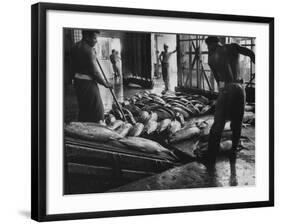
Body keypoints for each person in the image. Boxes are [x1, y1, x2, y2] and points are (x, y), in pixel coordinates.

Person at [205, 36, 255, 168]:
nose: (210, 49)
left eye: (209, 47)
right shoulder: (232, 47)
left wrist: (222, 91)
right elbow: (250, 53)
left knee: (219, 122)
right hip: (239, 88)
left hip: (226, 88)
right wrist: (254, 59)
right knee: (237, 121)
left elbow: (218, 79)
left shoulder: (211, 58)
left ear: (210, 45)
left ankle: (212, 154)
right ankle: (233, 150)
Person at [70, 29, 112, 122]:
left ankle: (84, 127)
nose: (96, 41)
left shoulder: (74, 47)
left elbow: (72, 67)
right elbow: (95, 72)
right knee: (97, 110)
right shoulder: (88, 50)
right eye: (94, 38)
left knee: (84, 107)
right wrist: (105, 83)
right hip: (88, 83)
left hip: (78, 82)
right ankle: (97, 128)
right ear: (86, 37)